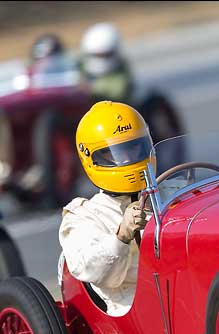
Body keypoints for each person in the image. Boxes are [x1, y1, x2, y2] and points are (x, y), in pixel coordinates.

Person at [59, 101, 153, 316]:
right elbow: (96, 271)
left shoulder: (170, 190)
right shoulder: (82, 216)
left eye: (136, 148)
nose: (129, 159)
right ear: (92, 158)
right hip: (133, 311)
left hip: (182, 290)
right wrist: (122, 235)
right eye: (116, 153)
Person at [79, 23, 135, 103]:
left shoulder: (120, 71)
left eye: (104, 55)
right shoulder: (81, 66)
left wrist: (89, 89)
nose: (100, 58)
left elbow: (119, 92)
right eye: (97, 55)